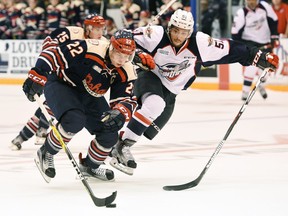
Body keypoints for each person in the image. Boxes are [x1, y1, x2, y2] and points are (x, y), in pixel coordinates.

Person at [109, 9, 279, 175]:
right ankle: (120, 147)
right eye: (175, 31)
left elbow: (232, 49)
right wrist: (137, 53)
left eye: (183, 32)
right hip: (149, 76)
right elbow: (123, 36)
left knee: (148, 124)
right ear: (170, 27)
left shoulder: (201, 43)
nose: (178, 36)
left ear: (189, 32)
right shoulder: (155, 34)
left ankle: (106, 147)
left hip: (171, 91)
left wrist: (259, 56)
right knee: (154, 104)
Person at [21, 29, 155, 182]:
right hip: (62, 84)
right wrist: (38, 73)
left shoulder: (126, 69)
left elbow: (127, 99)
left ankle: (89, 166)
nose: (122, 60)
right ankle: (46, 152)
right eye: (119, 54)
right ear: (111, 47)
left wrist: (120, 112)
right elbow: (54, 53)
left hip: (90, 95)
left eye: (126, 56)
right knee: (74, 120)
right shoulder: (91, 47)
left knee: (110, 133)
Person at [10, 14, 108, 151]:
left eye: (102, 29)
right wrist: (42, 69)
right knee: (48, 108)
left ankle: (26, 135)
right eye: (96, 29)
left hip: (77, 85)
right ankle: (24, 136)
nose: (100, 33)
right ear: (87, 27)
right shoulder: (72, 32)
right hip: (59, 78)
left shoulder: (103, 43)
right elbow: (49, 43)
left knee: (48, 108)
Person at [231, 0, 279, 100]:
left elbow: (274, 20)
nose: (251, 2)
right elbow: (235, 34)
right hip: (250, 43)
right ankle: (245, 91)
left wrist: (274, 37)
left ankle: (261, 84)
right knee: (251, 68)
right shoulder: (241, 13)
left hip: (265, 42)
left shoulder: (265, 6)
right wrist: (241, 46)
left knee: (268, 68)